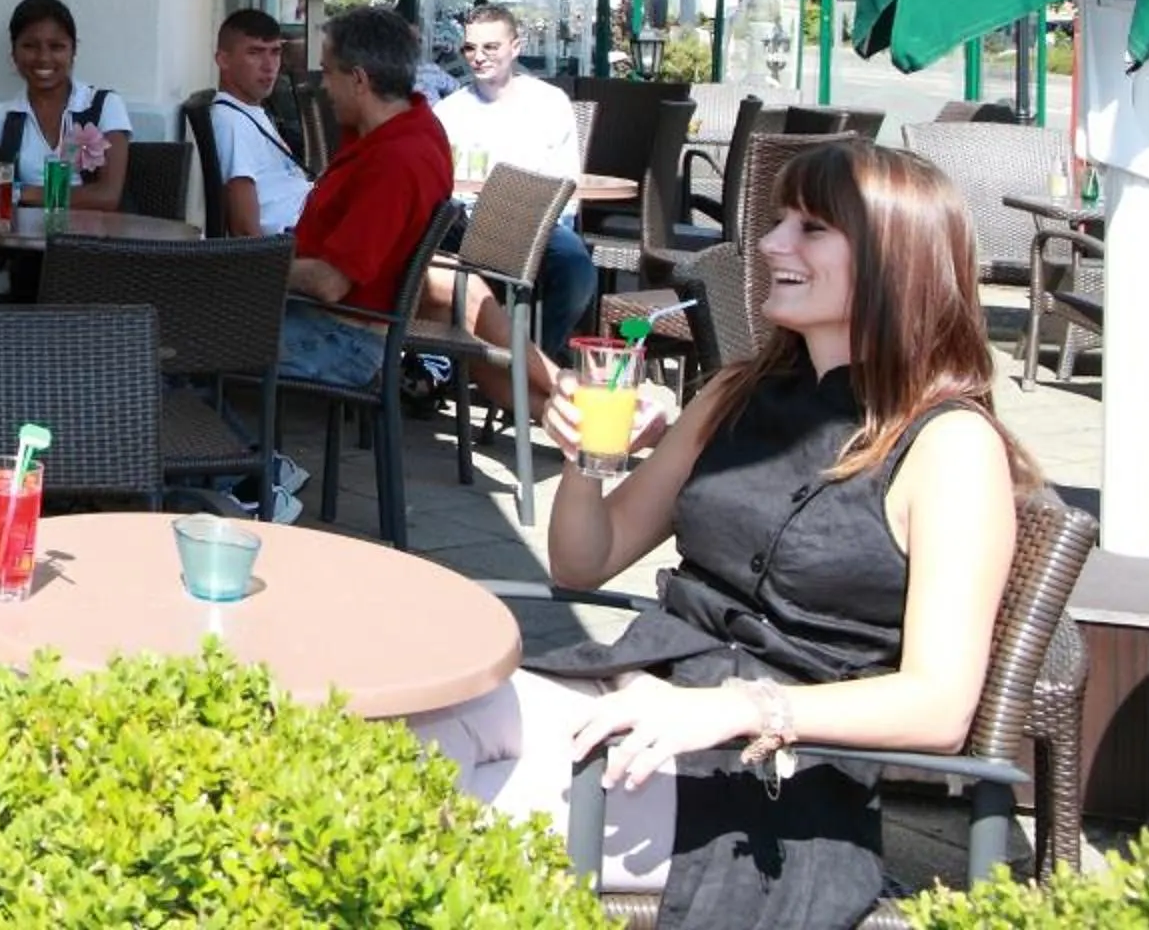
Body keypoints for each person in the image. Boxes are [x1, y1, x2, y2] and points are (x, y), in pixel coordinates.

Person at [406, 143, 1036, 928]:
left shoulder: (950, 446)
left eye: (810, 229)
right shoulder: (739, 391)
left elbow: (939, 707)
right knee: (400, 744)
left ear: (893, 260)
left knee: (431, 818)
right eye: (778, 223)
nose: (770, 245)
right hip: (643, 702)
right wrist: (587, 457)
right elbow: (585, 560)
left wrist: (743, 709)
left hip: (769, 783)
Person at [273, 4, 475, 389]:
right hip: (325, 321)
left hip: (339, 338)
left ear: (359, 80)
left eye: (328, 72)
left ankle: (244, 433)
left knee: (179, 347)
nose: (322, 85)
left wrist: (247, 268)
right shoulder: (403, 129)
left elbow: (330, 283)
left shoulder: (396, 161)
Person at [434, 3, 598, 365]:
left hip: (534, 224)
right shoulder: (448, 111)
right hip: (464, 224)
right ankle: (439, 365)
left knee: (575, 267)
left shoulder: (548, 103)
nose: (478, 57)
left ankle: (530, 364)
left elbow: (565, 185)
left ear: (515, 47)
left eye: (490, 47)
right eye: (470, 48)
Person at [0, 0, 132, 212]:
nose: (43, 58)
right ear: (13, 53)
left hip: (90, 234)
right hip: (19, 234)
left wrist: (21, 192)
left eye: (56, 47)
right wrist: (68, 197)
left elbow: (107, 196)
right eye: (30, 46)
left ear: (73, 51)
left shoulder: (104, 105)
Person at [205, 8, 313, 239]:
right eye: (255, 53)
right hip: (300, 238)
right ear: (223, 60)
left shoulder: (250, 109)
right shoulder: (231, 122)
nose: (269, 66)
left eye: (275, 52)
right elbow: (245, 230)